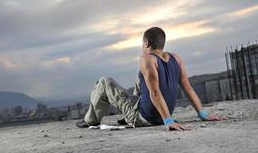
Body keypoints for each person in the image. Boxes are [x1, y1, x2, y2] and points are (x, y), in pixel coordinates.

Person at [76, 27, 227, 131]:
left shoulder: (147, 59)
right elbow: (187, 87)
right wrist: (203, 114)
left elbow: (155, 92)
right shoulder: (176, 58)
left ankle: (91, 120)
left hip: (145, 118)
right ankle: (127, 116)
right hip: (160, 115)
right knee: (141, 76)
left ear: (146, 43)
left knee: (104, 81)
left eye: (143, 43)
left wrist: (169, 122)